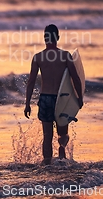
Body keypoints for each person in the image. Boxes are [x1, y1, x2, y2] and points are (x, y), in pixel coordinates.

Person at [24, 24, 83, 164]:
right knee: (63, 133)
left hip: (45, 99)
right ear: (57, 37)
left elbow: (31, 82)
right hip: (61, 99)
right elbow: (76, 78)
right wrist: (79, 98)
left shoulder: (38, 57)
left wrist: (27, 104)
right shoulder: (65, 56)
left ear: (45, 38)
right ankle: (62, 152)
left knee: (47, 136)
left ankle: (47, 165)